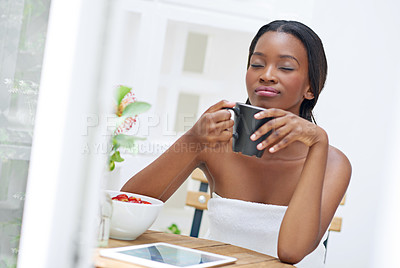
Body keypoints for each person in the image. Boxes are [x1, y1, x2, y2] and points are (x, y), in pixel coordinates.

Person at [121, 20, 351, 266]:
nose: (266, 75)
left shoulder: (333, 163)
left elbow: (290, 253)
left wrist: (318, 142)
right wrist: (192, 140)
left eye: (285, 67)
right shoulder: (215, 142)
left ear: (311, 88)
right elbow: (126, 211)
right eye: (257, 64)